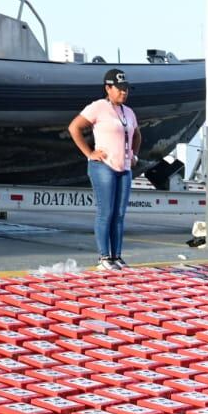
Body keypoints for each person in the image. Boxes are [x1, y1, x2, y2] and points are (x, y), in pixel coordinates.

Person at [68, 68, 141, 271]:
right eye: (119, 89)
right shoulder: (98, 107)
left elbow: (137, 135)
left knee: (119, 214)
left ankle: (117, 256)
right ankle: (104, 257)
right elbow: (74, 127)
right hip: (103, 166)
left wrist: (134, 155)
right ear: (108, 88)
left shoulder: (129, 112)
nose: (124, 92)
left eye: (126, 89)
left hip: (124, 167)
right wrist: (89, 153)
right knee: (106, 212)